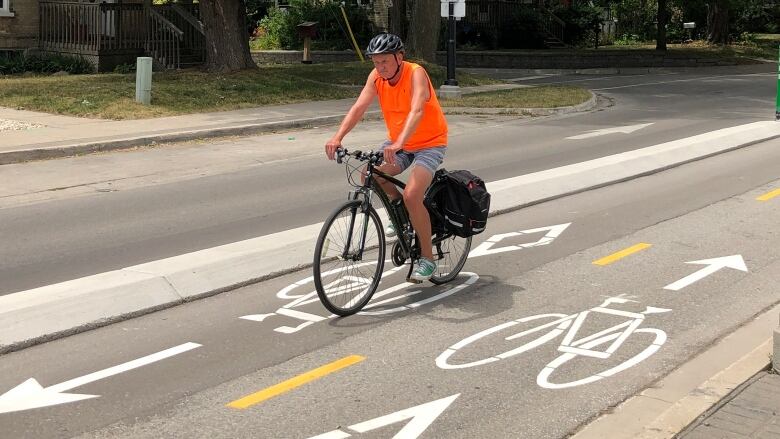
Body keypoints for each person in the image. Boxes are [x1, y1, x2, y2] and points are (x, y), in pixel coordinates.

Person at [325, 33, 449, 283]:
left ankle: (427, 259)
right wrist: (337, 137)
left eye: (385, 62)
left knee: (413, 194)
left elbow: (417, 109)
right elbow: (359, 107)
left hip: (430, 143)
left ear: (399, 57)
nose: (380, 67)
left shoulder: (416, 73)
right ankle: (403, 215)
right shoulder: (376, 78)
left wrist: (401, 142)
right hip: (399, 142)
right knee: (370, 176)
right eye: (376, 62)